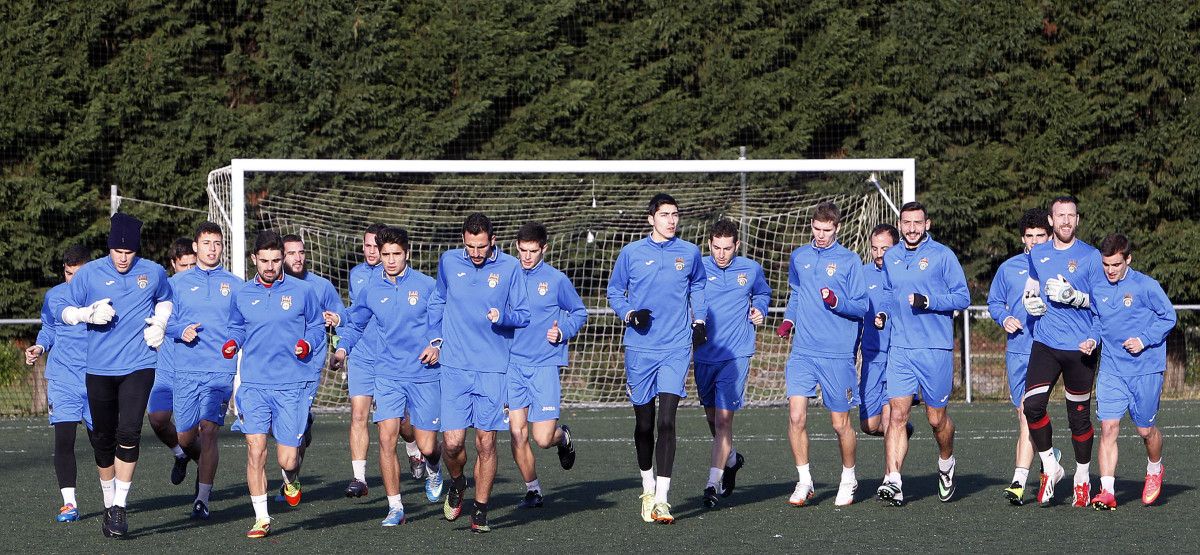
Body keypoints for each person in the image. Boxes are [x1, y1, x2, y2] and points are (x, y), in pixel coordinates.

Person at [54, 213, 174, 537]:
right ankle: (109, 503)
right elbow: (60, 309)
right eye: (117, 252)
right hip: (99, 369)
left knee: (129, 432)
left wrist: (160, 323)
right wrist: (84, 313)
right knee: (103, 440)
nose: (123, 258)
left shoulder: (153, 272)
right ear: (109, 248)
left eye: (129, 252)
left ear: (137, 250)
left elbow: (165, 300)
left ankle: (119, 508)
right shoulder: (90, 274)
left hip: (140, 364)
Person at [606, 193, 706, 524]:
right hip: (640, 349)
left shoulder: (690, 253)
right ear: (651, 218)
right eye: (665, 215)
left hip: (676, 348)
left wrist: (700, 320)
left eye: (675, 214)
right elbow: (614, 292)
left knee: (667, 421)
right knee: (645, 424)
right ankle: (647, 485)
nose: (671, 220)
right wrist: (630, 314)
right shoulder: (631, 253)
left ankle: (662, 499)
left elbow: (698, 287)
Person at [334, 227, 444, 526]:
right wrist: (342, 350)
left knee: (427, 445)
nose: (391, 260)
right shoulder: (370, 289)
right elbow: (355, 325)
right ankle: (395, 507)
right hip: (387, 374)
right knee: (386, 438)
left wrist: (437, 346)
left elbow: (444, 322)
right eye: (385, 254)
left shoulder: (427, 286)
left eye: (396, 254)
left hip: (423, 374)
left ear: (407, 253)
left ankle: (434, 465)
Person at [427, 213, 529, 533]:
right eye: (470, 246)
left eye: (481, 246)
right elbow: (437, 301)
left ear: (493, 241)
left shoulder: (511, 268)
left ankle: (481, 511)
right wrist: (435, 339)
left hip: (492, 369)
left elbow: (524, 315)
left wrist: (504, 316)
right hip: (454, 367)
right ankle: (458, 482)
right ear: (463, 240)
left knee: (486, 444)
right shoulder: (448, 262)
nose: (475, 252)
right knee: (453, 444)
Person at [223, 231, 326, 539]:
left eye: (276, 260)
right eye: (264, 261)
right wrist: (231, 342)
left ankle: (291, 480)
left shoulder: (303, 290)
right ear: (254, 259)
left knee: (287, 459)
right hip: (254, 384)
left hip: (291, 384)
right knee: (255, 450)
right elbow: (236, 326)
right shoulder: (242, 294)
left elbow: (318, 326)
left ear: (283, 258)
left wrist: (307, 344)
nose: (270, 266)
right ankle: (261, 518)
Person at [876, 201, 969, 506]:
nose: (912, 228)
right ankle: (893, 480)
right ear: (900, 225)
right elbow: (890, 294)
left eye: (918, 223)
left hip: (934, 349)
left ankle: (946, 463)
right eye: (906, 223)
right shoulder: (891, 257)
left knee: (935, 419)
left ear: (927, 224)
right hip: (901, 349)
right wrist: (884, 315)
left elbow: (962, 296)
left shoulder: (943, 255)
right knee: (897, 416)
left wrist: (928, 301)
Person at [776, 202, 867, 507]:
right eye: (817, 228)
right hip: (803, 351)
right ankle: (804, 481)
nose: (822, 235)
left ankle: (849, 478)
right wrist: (789, 319)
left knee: (840, 424)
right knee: (796, 416)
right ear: (811, 225)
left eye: (827, 230)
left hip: (837, 355)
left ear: (837, 228)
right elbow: (797, 293)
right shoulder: (800, 256)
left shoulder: (850, 261)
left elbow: (861, 306)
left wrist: (837, 301)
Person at [1021, 195, 1105, 507]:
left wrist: (1077, 298)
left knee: (1078, 419)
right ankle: (1051, 466)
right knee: (1032, 406)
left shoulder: (1092, 256)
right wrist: (1030, 300)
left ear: (1077, 220)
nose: (1066, 221)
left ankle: (1082, 476)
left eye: (1072, 215)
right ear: (1051, 221)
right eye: (1061, 216)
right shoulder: (1038, 253)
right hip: (1046, 342)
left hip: (1082, 346)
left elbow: (1102, 303)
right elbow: (1032, 286)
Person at [1085, 234, 1175, 510]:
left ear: (1128, 259)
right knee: (1108, 426)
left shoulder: (1146, 286)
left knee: (1145, 430)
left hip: (1145, 369)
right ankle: (1107, 491)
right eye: (1106, 264)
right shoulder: (1098, 286)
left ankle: (1154, 468)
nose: (1110, 270)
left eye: (1115, 264)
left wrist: (1143, 339)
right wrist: (1092, 339)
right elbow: (1097, 322)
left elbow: (1169, 316)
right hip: (1112, 368)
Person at [507, 222, 587, 509]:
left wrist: (562, 330)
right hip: (512, 366)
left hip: (544, 366)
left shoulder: (556, 280)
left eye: (533, 251)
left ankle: (562, 437)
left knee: (542, 438)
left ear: (544, 249)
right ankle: (533, 490)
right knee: (517, 432)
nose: (527, 256)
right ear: (516, 247)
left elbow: (579, 312)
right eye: (522, 250)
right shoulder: (506, 276)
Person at [166, 222, 242, 519]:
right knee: (186, 437)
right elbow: (161, 320)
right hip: (186, 370)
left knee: (209, 431)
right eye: (207, 242)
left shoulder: (235, 284)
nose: (212, 248)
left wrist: (235, 341)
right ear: (195, 247)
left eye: (218, 243)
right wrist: (178, 330)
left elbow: (242, 323)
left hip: (220, 371)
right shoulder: (177, 284)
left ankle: (203, 498)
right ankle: (186, 455)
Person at [694, 219, 770, 509]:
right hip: (703, 354)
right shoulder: (697, 267)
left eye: (727, 248)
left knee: (724, 420)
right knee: (713, 420)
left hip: (736, 354)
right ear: (710, 244)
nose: (722, 254)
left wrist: (759, 309)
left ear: (736, 245)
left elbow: (763, 293)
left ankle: (712, 483)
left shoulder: (750, 269)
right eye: (716, 248)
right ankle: (733, 458)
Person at [986, 209, 1050, 505]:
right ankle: (1050, 459)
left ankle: (1019, 480)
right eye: (1030, 236)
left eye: (1041, 236)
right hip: (1018, 350)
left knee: (1029, 411)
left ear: (1049, 236)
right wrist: (1004, 318)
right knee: (1023, 413)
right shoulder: (1009, 268)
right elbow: (995, 301)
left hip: (1048, 349)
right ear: (1022, 238)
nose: (1035, 241)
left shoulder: (1058, 265)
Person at [26, 245, 94, 523]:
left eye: (77, 274)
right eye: (68, 273)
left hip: (97, 379)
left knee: (102, 443)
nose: (72, 280)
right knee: (63, 441)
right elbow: (49, 328)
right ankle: (69, 503)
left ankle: (114, 501)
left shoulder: (104, 297)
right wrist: (40, 347)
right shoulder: (54, 296)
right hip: (63, 379)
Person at [281, 233, 345, 495]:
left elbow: (341, 317)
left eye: (301, 252)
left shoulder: (321, 287)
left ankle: (290, 480)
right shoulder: (273, 287)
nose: (298, 258)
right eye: (291, 253)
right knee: (285, 426)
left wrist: (338, 346)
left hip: (309, 366)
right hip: (277, 366)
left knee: (294, 425)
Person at [857, 225, 913, 453]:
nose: (879, 254)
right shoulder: (862, 274)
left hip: (897, 357)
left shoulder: (905, 273)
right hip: (871, 359)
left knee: (892, 421)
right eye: (874, 248)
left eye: (885, 249)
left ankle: (891, 480)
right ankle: (903, 430)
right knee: (869, 425)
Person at [150, 238, 199, 487]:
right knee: (157, 419)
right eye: (184, 265)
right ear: (173, 265)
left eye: (193, 265)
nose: (189, 270)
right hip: (167, 367)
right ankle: (179, 455)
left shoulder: (203, 293)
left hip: (195, 369)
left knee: (195, 433)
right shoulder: (164, 291)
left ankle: (202, 493)